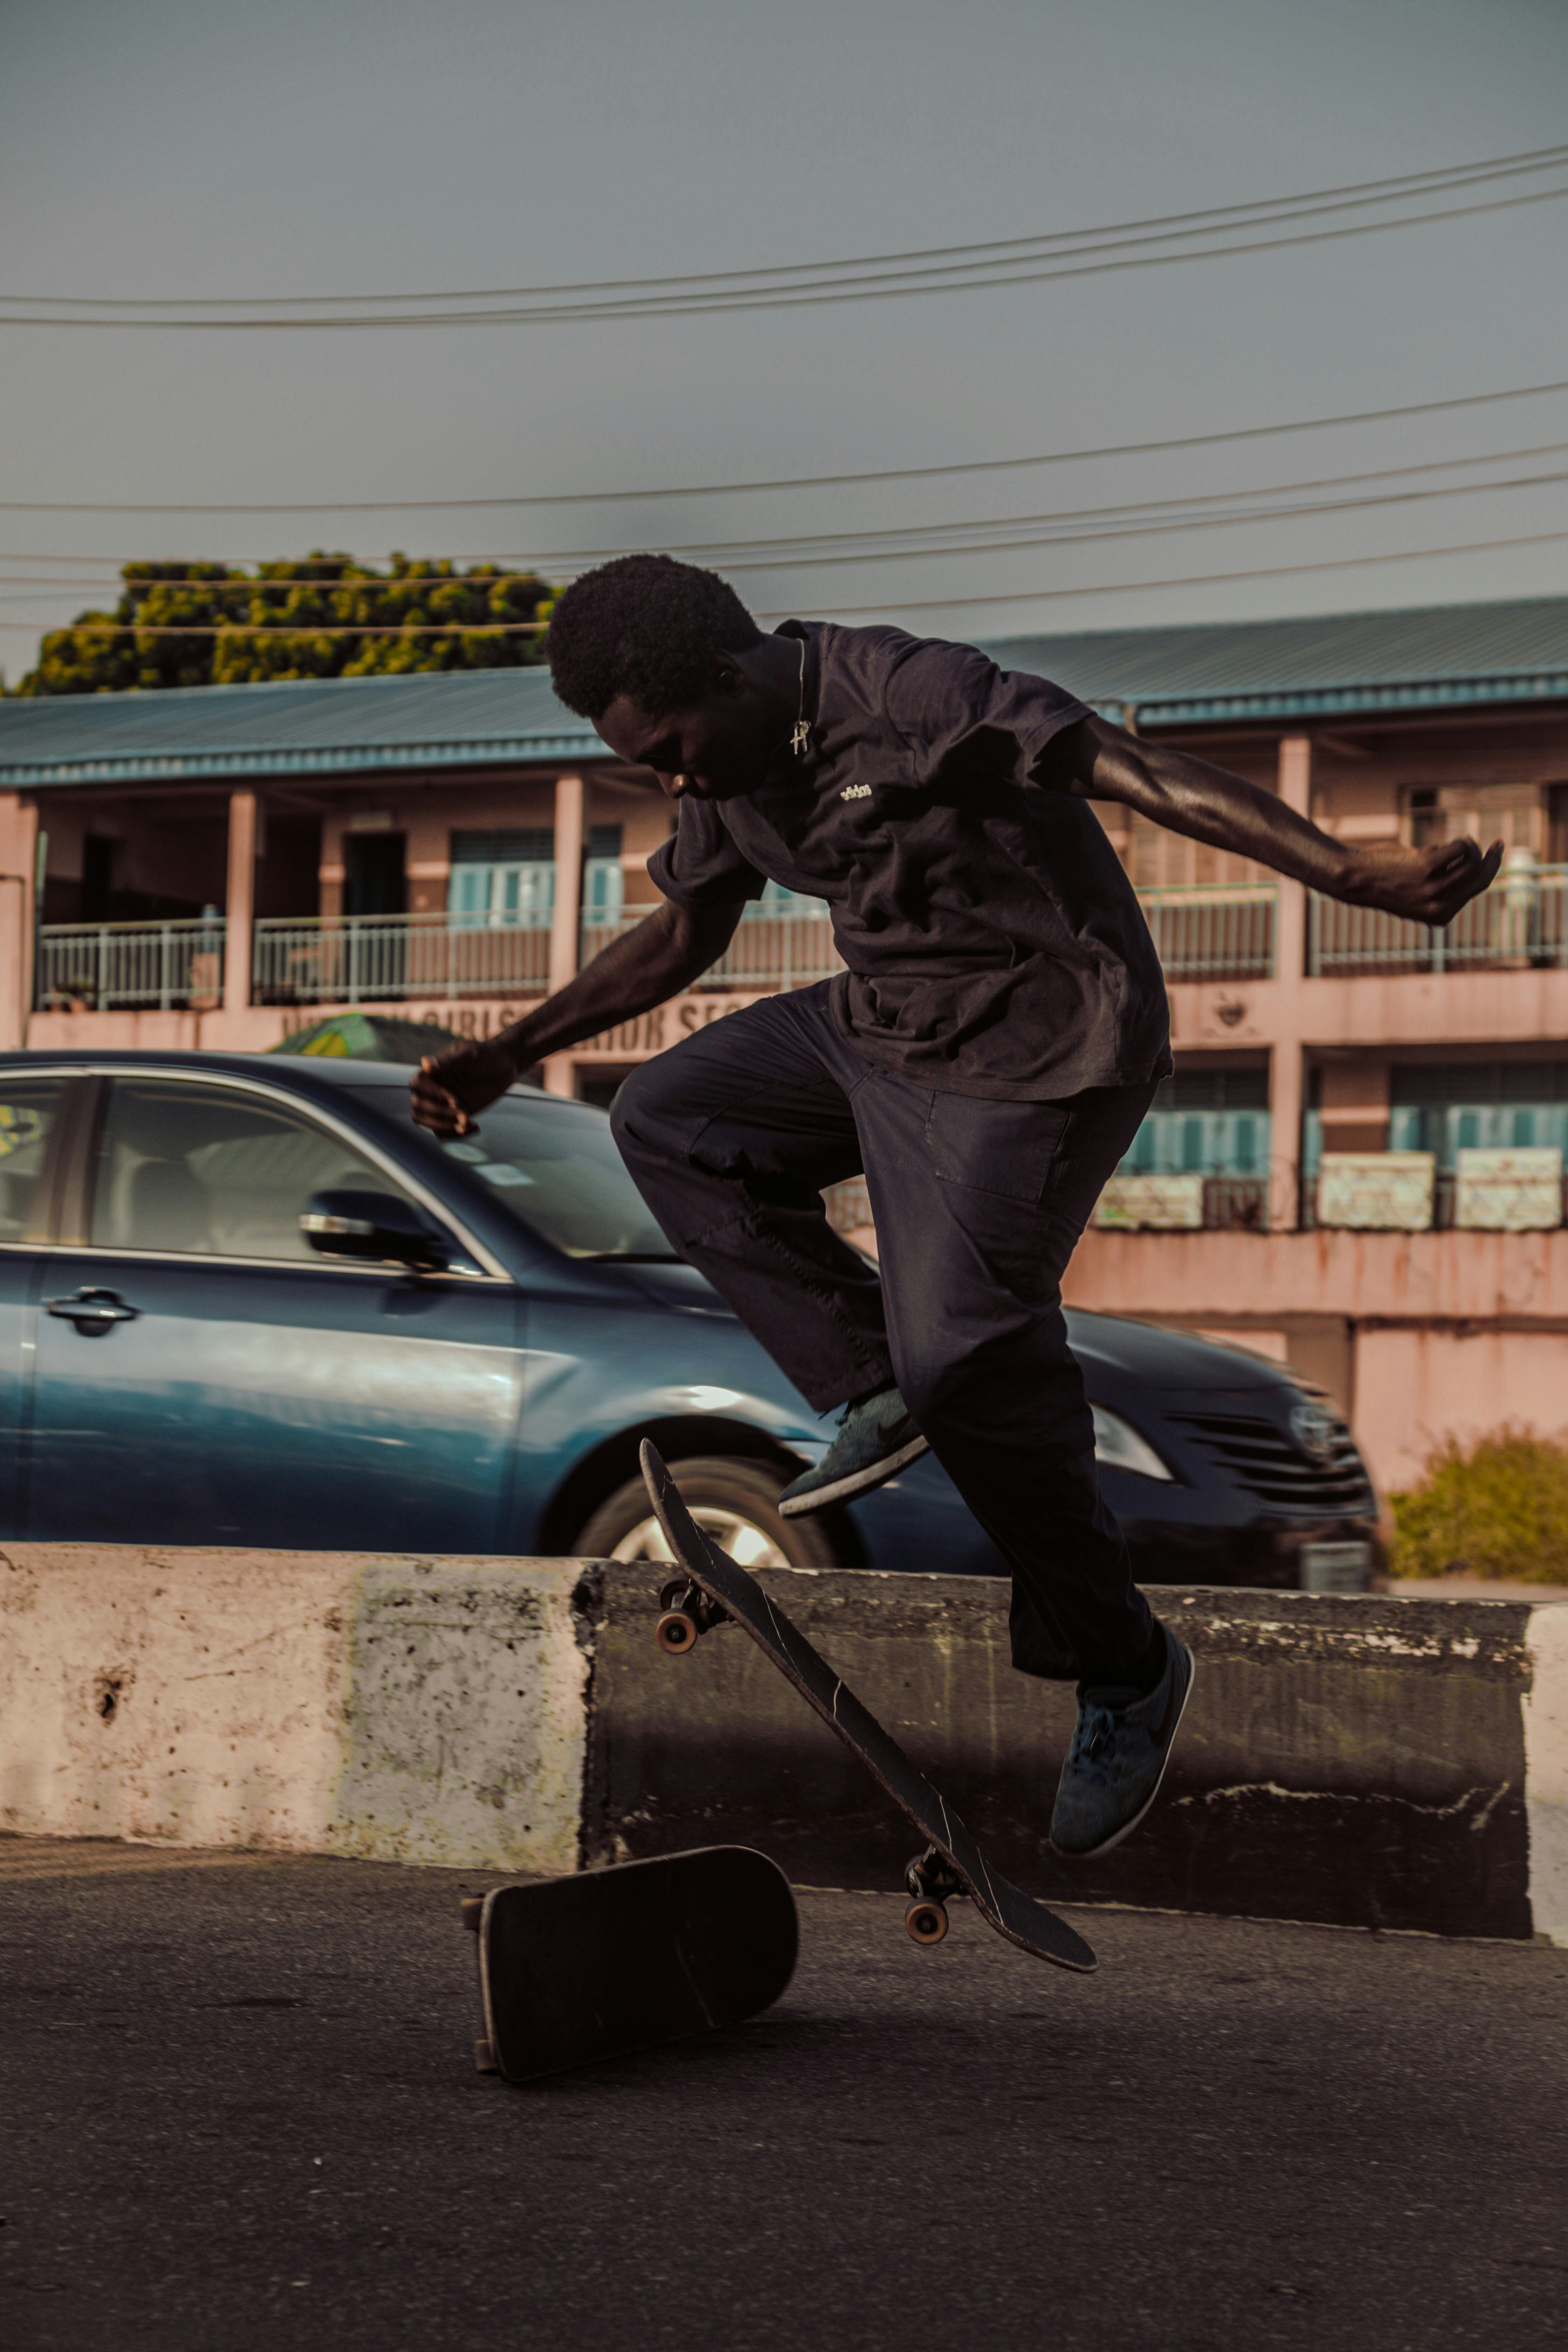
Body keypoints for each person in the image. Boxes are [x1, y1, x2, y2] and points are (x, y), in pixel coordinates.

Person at [411, 554, 1500, 1859]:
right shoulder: (729, 764)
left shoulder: (912, 692)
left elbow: (1133, 770)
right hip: (880, 1030)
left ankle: (1124, 1666)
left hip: (1044, 1046)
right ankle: (870, 1382)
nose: (676, 781)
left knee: (969, 1357)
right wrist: (519, 1044)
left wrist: (1349, 876)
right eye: (648, 765)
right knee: (667, 1115)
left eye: (675, 747)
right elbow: (683, 933)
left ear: (728, 673)